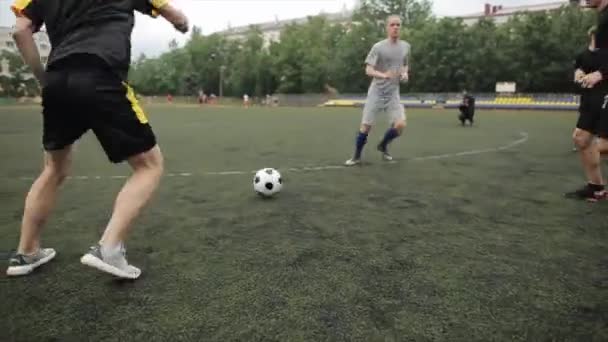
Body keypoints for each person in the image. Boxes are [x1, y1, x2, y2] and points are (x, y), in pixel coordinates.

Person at [6, 0, 189, 279]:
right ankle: (109, 249)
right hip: (100, 72)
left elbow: (20, 31)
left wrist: (44, 78)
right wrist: (182, 24)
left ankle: (26, 252)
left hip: (58, 80)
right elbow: (174, 14)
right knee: (149, 165)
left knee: (54, 169)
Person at [345, 14, 410, 166]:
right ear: (387, 28)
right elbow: (368, 70)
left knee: (400, 125)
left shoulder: (406, 46)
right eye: (392, 25)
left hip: (393, 93)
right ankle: (356, 156)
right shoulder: (378, 47)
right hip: (377, 92)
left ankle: (383, 145)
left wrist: (405, 73)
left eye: (398, 25)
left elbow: (405, 64)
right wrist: (383, 75)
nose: (395, 27)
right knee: (366, 126)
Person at [566, 0, 608, 201]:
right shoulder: (599, 22)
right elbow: (592, 54)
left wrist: (602, 73)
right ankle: (596, 188)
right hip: (595, 91)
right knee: (581, 139)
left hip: (606, 87)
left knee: (605, 145)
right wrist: (579, 67)